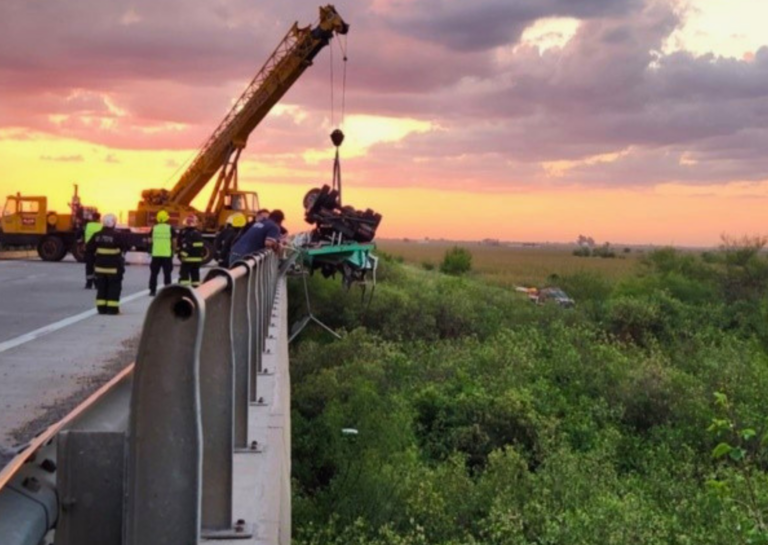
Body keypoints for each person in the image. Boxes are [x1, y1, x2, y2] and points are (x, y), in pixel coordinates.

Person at [85, 213, 125, 315]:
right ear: (113, 223)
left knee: (101, 288)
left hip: (100, 268)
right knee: (114, 288)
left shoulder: (97, 235)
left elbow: (89, 248)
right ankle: (112, 309)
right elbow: (125, 247)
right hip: (113, 268)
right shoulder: (117, 235)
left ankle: (101, 309)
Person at [148, 210, 175, 296]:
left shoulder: (154, 228)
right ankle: (168, 292)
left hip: (156, 255)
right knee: (167, 274)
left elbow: (149, 241)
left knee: (154, 274)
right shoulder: (170, 228)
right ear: (167, 219)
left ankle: (152, 291)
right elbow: (174, 241)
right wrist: (173, 250)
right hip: (166, 255)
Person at [178, 213, 204, 287]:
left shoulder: (187, 233)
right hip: (197, 259)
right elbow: (200, 247)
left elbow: (187, 246)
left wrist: (181, 255)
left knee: (184, 274)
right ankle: (196, 289)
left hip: (188, 259)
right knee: (195, 275)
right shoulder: (198, 233)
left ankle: (184, 289)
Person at [83, 212, 102, 289]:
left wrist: (81, 243)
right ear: (99, 218)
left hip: (89, 249)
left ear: (92, 217)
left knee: (89, 267)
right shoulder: (101, 226)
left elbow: (79, 234)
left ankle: (89, 284)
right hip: (99, 250)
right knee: (98, 267)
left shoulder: (87, 225)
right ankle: (97, 284)